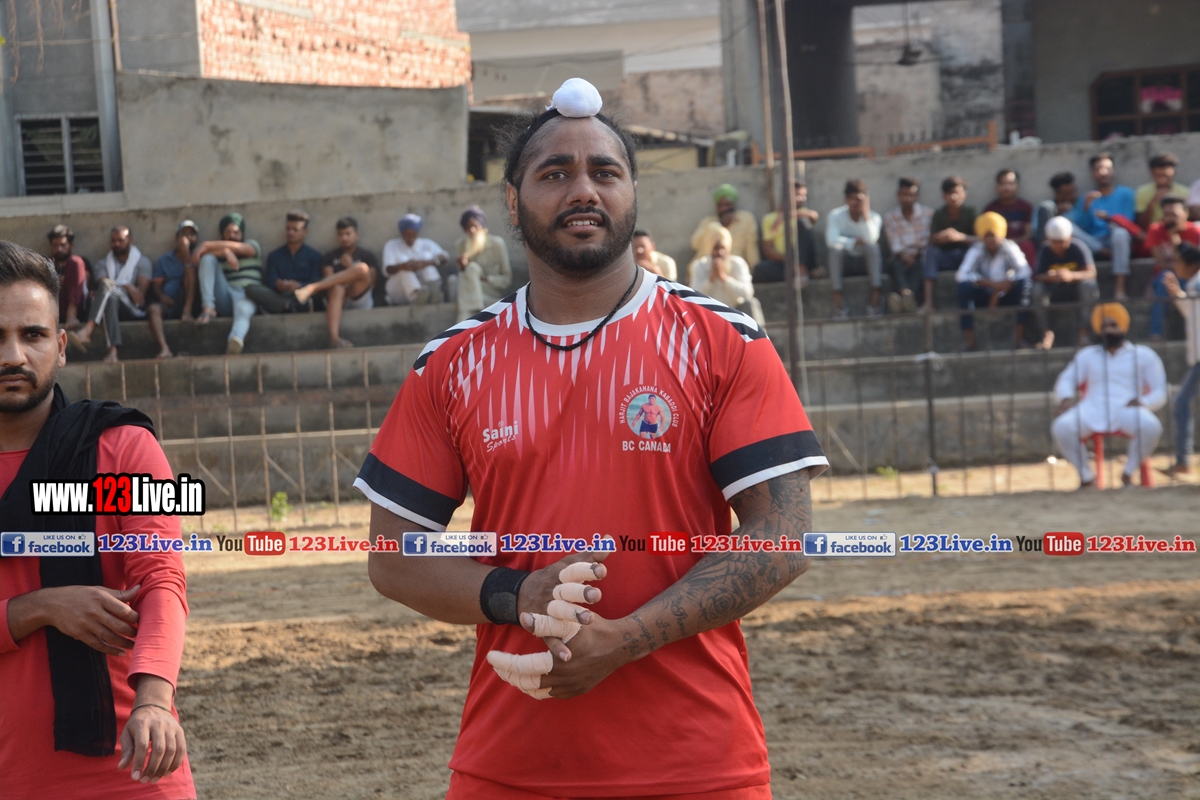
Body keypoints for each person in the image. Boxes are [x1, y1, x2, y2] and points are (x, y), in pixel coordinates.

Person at [357, 77, 827, 800]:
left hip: (700, 767)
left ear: (632, 192)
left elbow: (784, 535)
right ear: (512, 200)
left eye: (605, 172)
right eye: (555, 173)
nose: (583, 190)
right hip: (509, 766)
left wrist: (628, 638)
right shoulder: (451, 362)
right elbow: (394, 554)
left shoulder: (723, 341)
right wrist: (517, 594)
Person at [0, 241, 194, 797]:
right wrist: (38, 608)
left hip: (130, 762)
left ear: (61, 347)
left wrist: (155, 702)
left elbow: (161, 578)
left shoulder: (125, 446)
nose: (13, 355)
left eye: (33, 335)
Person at [1051, 303, 1166, 488]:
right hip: (1092, 408)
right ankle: (1087, 478)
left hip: (1126, 409)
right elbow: (1067, 379)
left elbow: (1160, 390)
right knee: (1061, 427)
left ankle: (1128, 473)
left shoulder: (1144, 355)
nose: (1109, 330)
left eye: (1114, 325)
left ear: (1123, 327)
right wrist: (1065, 398)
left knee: (1151, 427)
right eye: (1104, 326)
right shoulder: (1087, 355)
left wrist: (1144, 402)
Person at [67, 226, 152, 363]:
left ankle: (88, 330)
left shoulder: (143, 262)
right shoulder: (102, 264)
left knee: (107, 285)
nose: (116, 244)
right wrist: (127, 286)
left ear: (130, 240)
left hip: (133, 309)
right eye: (113, 240)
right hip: (112, 305)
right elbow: (103, 289)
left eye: (121, 240)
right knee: (110, 298)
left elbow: (139, 298)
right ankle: (112, 351)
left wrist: (126, 286)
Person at [293, 216, 379, 349]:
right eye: (340, 234)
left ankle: (313, 287)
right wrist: (347, 279)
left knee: (362, 268)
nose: (344, 238)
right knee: (337, 288)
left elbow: (372, 282)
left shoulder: (367, 255)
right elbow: (330, 281)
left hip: (360, 296)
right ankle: (334, 338)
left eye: (348, 234)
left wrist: (350, 266)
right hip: (338, 297)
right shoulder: (330, 257)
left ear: (357, 235)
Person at [954, 211, 1032, 351]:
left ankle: (1019, 340)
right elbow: (961, 275)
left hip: (1006, 293)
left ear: (1001, 234)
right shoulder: (977, 249)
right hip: (984, 294)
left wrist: (1005, 284)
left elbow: (1025, 271)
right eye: (986, 236)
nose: (990, 240)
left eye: (993, 235)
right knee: (963, 287)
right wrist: (991, 284)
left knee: (1025, 284)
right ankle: (970, 343)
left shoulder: (1009, 247)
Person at [192, 212, 262, 355]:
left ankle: (235, 340)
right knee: (208, 259)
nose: (232, 235)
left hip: (247, 295)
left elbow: (241, 249)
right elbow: (200, 259)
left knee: (242, 310)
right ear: (222, 234)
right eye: (228, 232)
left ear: (242, 233)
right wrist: (225, 252)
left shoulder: (252, 245)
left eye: (236, 232)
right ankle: (208, 307)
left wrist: (206, 244)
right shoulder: (217, 254)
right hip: (225, 296)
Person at [1160, 244, 1200, 477]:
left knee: (1181, 403)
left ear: (1191, 265)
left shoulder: (1197, 284)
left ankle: (1183, 460)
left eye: (1179, 262)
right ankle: (1183, 461)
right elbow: (1194, 316)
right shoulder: (1194, 285)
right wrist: (1178, 294)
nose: (1176, 266)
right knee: (1182, 403)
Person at [1032, 216, 1099, 350]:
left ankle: (1083, 334)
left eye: (1061, 242)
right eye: (1054, 242)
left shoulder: (1078, 247)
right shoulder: (1045, 249)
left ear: (1070, 237)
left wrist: (1071, 276)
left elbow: (1092, 273)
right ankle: (1046, 334)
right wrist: (1050, 277)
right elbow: (1037, 276)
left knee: (1089, 286)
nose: (1057, 246)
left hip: (1075, 289)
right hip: (1053, 290)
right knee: (1037, 290)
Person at [1076, 152, 1136, 299]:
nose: (1103, 172)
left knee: (1120, 234)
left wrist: (1108, 218)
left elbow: (1128, 222)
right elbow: (1083, 227)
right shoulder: (1087, 197)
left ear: (1113, 171)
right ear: (1093, 174)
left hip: (1117, 238)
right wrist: (1086, 207)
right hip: (1096, 242)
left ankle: (1120, 289)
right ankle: (1109, 253)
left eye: (1107, 168)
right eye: (1098, 169)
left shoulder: (1126, 193)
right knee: (1066, 227)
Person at [825, 179, 884, 318]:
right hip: (845, 264)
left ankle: (876, 300)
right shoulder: (835, 215)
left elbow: (871, 239)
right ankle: (838, 303)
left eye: (860, 199)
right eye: (853, 199)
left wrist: (866, 215)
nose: (856, 203)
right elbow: (831, 241)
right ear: (846, 200)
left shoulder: (874, 217)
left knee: (873, 247)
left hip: (866, 264)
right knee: (835, 250)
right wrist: (854, 242)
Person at [1144, 196, 1200, 340]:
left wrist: (1174, 237)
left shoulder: (1197, 231)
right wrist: (1172, 235)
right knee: (1165, 279)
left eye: (1174, 215)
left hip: (1192, 277)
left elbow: (1194, 264)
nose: (1169, 219)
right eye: (1166, 214)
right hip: (1164, 276)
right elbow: (1162, 263)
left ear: (1186, 213)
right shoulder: (1155, 230)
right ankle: (1156, 333)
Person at [250, 210, 322, 315]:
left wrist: (299, 285)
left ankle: (287, 306)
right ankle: (287, 305)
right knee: (251, 289)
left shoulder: (314, 256)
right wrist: (279, 285)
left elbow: (316, 283)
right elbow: (270, 282)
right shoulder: (274, 256)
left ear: (305, 232)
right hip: (279, 296)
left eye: (295, 230)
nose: (290, 233)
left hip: (303, 296)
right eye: (288, 229)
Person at [923, 176, 978, 312]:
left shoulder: (971, 212)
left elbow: (980, 239)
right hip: (945, 257)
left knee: (976, 250)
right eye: (950, 193)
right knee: (930, 252)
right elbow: (931, 240)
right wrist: (941, 238)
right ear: (944, 196)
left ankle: (974, 301)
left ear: (964, 194)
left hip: (965, 257)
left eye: (957, 193)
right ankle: (928, 303)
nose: (954, 197)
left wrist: (960, 237)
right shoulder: (939, 214)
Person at [147, 220, 199, 360]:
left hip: (192, 302)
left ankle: (187, 312)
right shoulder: (165, 260)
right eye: (184, 234)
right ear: (177, 239)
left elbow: (192, 272)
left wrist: (186, 255)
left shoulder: (199, 256)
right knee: (153, 309)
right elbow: (156, 285)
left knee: (189, 272)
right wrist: (161, 296)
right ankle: (164, 349)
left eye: (192, 234)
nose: (188, 238)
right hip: (170, 302)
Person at [689, 226, 764, 324]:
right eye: (716, 248)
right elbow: (693, 297)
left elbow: (747, 293)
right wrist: (710, 279)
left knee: (751, 304)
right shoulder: (699, 266)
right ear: (710, 248)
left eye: (722, 248)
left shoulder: (737, 263)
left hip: (735, 312)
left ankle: (757, 334)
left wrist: (724, 278)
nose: (720, 253)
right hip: (710, 313)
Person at [883, 176, 932, 313]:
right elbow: (893, 243)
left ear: (917, 196)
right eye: (904, 195)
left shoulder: (927, 214)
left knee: (920, 265)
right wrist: (904, 256)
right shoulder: (890, 217)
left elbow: (926, 240)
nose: (908, 198)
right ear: (898, 195)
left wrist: (914, 256)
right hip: (899, 256)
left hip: (918, 255)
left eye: (911, 195)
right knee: (895, 265)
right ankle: (908, 297)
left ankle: (903, 299)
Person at [454, 206, 513, 321]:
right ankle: (477, 310)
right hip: (469, 291)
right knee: (471, 268)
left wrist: (487, 279)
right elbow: (462, 277)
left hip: (491, 289)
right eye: (468, 227)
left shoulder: (497, 244)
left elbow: (507, 279)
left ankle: (464, 320)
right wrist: (463, 267)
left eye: (475, 226)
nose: (472, 230)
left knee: (470, 273)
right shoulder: (461, 245)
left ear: (482, 227)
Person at [756, 181, 818, 285]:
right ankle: (805, 273)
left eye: (804, 196)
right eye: (798, 195)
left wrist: (786, 216)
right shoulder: (769, 218)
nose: (802, 199)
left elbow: (814, 215)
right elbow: (768, 249)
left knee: (803, 222)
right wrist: (791, 262)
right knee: (760, 269)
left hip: (804, 260)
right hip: (784, 262)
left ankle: (802, 269)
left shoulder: (802, 213)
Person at [689, 183, 760, 272]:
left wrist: (756, 269)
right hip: (708, 268)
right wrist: (719, 225)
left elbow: (752, 248)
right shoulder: (708, 222)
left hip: (734, 269)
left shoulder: (746, 219)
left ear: (734, 205)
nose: (724, 209)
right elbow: (695, 244)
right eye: (721, 205)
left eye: (728, 205)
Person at [383, 214, 448, 306]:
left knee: (427, 261)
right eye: (407, 235)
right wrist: (403, 266)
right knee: (404, 268)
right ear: (402, 234)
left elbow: (444, 257)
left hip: (425, 289)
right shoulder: (391, 245)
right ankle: (416, 295)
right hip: (399, 291)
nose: (410, 238)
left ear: (417, 233)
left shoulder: (426, 243)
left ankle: (435, 291)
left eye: (413, 234)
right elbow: (387, 269)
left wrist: (425, 263)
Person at [984, 169, 1036, 264]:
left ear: (1017, 186)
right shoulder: (990, 209)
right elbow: (985, 235)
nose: (1006, 188)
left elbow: (1028, 234)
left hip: (1019, 245)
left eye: (1010, 183)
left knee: (1028, 245)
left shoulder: (1025, 207)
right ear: (997, 187)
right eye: (1002, 184)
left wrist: (1013, 242)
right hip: (997, 247)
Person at [47, 224, 89, 330]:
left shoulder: (81, 262)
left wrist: (66, 282)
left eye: (63, 245)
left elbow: (83, 285)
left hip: (78, 307)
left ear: (71, 245)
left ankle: (72, 313)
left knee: (75, 261)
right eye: (55, 245)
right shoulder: (49, 264)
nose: (59, 249)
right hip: (55, 305)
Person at [1135, 152, 1189, 229]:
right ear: (1151, 174)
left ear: (1174, 173)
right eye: (1158, 175)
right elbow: (1141, 224)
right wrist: (1153, 202)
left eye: (1166, 175)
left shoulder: (1184, 192)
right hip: (1151, 232)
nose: (1162, 180)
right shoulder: (1142, 192)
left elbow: (1188, 221)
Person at [1033, 171, 1082, 244]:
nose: (1074, 196)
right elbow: (1037, 232)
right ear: (1058, 194)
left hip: (1076, 243)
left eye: (1074, 191)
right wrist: (1056, 213)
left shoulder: (1078, 205)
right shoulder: (1045, 208)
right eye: (1069, 193)